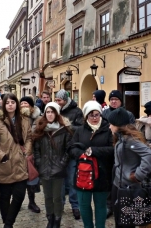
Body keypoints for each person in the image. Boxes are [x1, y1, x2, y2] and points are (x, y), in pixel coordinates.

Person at [0, 93, 32, 228]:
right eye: (7, 102)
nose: (10, 105)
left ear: (17, 104)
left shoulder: (24, 119)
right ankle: (8, 224)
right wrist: (2, 156)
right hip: (3, 165)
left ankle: (8, 224)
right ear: (3, 104)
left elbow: (29, 137)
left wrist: (27, 151)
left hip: (20, 164)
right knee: (5, 196)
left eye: (12, 102)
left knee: (19, 196)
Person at [69, 100, 114, 228]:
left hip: (102, 174)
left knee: (100, 205)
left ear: (101, 114)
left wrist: (94, 151)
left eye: (97, 114)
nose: (94, 118)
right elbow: (72, 148)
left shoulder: (108, 129)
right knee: (84, 205)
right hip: (83, 173)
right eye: (91, 115)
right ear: (86, 116)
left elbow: (113, 149)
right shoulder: (80, 130)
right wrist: (82, 154)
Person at [107, 107, 151, 228]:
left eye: (111, 124)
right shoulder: (121, 138)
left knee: (127, 222)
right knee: (121, 220)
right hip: (118, 185)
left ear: (118, 125)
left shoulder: (129, 140)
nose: (109, 127)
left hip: (129, 187)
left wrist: (138, 175)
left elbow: (148, 154)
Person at [33, 102, 73, 228]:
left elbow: (69, 149)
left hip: (58, 169)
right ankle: (50, 218)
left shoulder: (64, 130)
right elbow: (36, 149)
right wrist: (39, 163)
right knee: (47, 196)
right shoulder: (41, 129)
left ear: (56, 113)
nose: (50, 114)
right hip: (44, 168)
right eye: (48, 112)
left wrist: (62, 164)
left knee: (57, 197)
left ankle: (57, 220)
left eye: (52, 112)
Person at [102, 90, 136, 218]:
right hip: (109, 150)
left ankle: (123, 205)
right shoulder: (104, 113)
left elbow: (132, 130)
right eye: (111, 99)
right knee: (110, 179)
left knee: (121, 179)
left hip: (123, 152)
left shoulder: (128, 115)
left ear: (121, 101)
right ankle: (109, 205)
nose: (113, 101)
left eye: (116, 99)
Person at [55, 89, 83, 220]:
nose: (57, 102)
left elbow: (81, 129)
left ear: (65, 101)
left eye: (59, 100)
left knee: (72, 180)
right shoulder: (54, 110)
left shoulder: (77, 111)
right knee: (59, 181)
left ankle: (75, 206)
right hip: (58, 151)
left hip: (71, 150)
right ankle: (59, 205)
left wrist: (67, 126)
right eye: (56, 100)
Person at [20, 96, 42, 213]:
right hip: (17, 150)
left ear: (31, 106)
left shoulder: (37, 117)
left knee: (31, 177)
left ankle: (32, 202)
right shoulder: (15, 117)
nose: (24, 105)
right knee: (17, 177)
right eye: (22, 103)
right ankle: (17, 201)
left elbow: (36, 133)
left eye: (26, 103)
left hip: (32, 150)